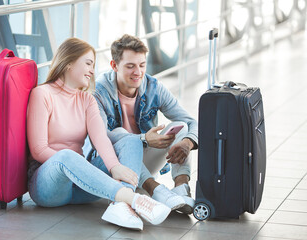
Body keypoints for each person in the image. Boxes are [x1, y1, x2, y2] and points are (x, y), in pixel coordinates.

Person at [27, 37, 171, 231]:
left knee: (131, 140)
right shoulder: (42, 94)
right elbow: (38, 150)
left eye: (93, 65)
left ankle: (122, 206)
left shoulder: (87, 99)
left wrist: (114, 167)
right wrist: (75, 166)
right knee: (66, 156)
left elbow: (101, 139)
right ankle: (133, 199)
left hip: (81, 186)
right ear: (69, 62)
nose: (92, 71)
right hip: (49, 186)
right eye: (88, 63)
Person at [92, 34, 198, 215]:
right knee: (120, 134)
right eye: (130, 66)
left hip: (144, 161)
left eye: (142, 65)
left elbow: (191, 121)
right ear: (114, 65)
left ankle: (181, 189)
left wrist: (188, 143)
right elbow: (100, 138)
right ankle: (156, 191)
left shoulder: (153, 87)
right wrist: (143, 139)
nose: (138, 72)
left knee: (182, 126)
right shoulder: (99, 92)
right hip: (113, 165)